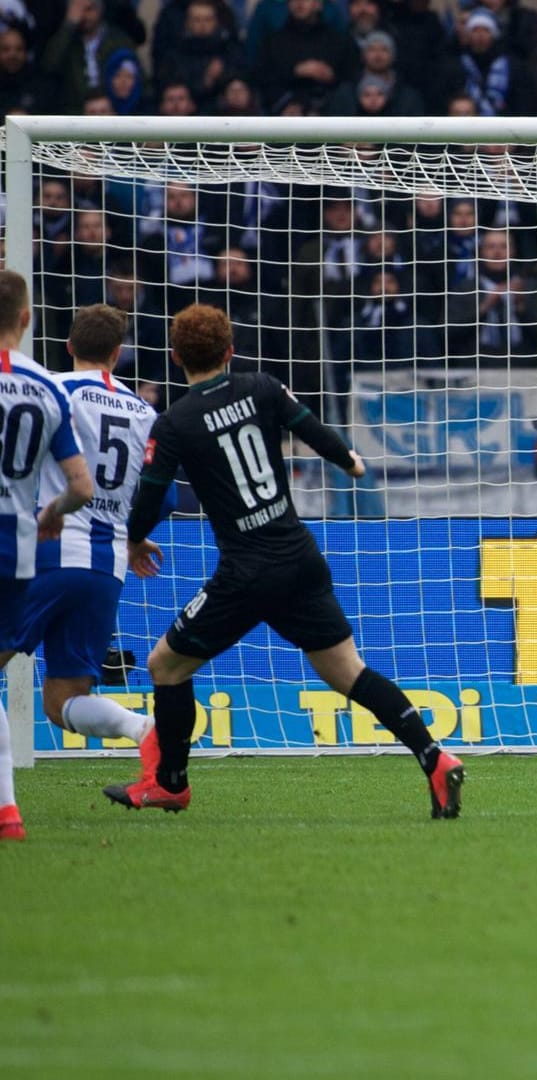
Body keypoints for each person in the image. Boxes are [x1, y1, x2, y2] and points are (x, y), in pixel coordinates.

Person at [106, 305, 465, 819]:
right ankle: (434, 757)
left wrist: (135, 540)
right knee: (349, 672)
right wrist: (350, 461)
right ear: (230, 352)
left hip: (246, 572)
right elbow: (314, 430)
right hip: (299, 557)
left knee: (166, 663)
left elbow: (149, 496)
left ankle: (170, 784)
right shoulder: (263, 387)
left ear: (175, 356)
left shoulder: (176, 422)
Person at [0, 305, 164, 781]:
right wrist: (134, 538)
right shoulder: (145, 412)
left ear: (68, 347)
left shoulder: (51, 388)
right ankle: (145, 728)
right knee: (63, 701)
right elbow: (163, 493)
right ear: (118, 353)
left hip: (47, 549)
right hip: (107, 565)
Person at [0, 274, 98, 842]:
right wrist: (54, 511)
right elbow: (81, 486)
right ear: (27, 319)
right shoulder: (47, 387)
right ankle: (7, 812)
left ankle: (8, 810)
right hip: (16, 546)